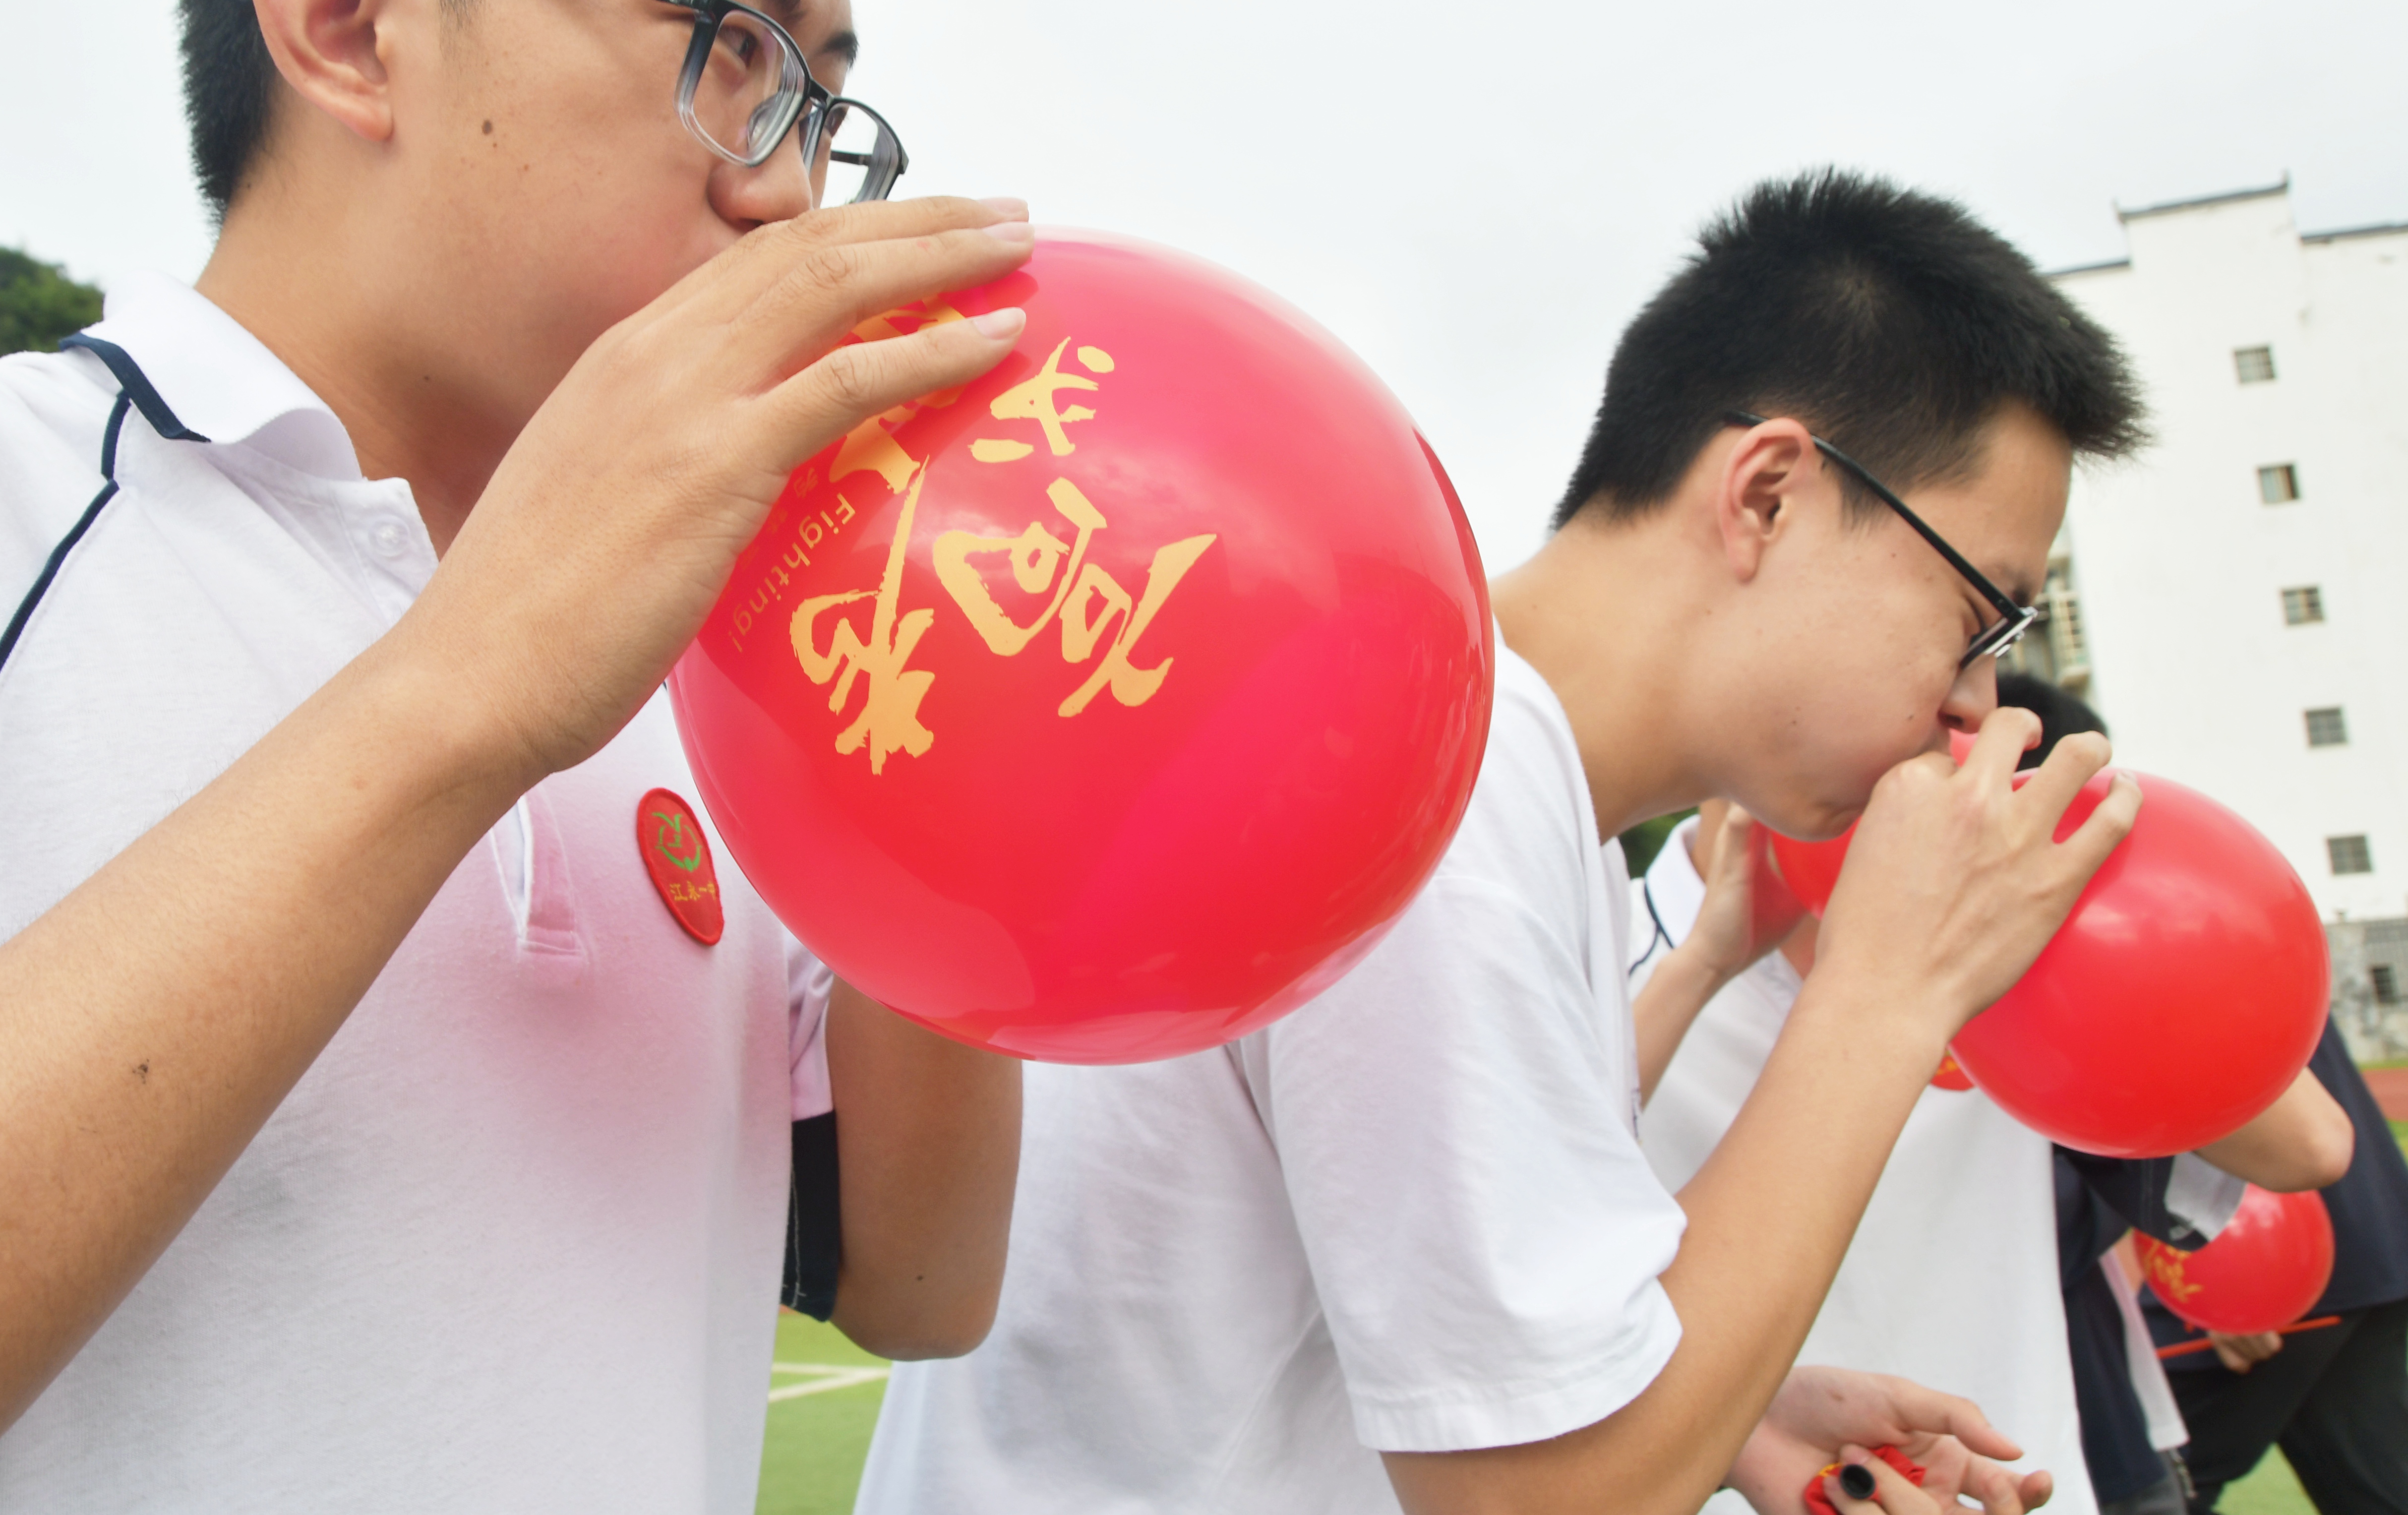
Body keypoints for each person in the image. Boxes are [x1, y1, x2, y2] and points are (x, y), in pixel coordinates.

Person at [0, 0, 1031, 1510]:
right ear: (345, 19)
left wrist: (976, 678)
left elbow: (920, 1282)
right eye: (732, 44)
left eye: (827, 107)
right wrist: (468, 682)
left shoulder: (732, 668)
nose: (789, 195)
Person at [859, 169, 2160, 1515]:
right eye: (1982, 616)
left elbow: (1399, 1337)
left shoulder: (1485, 777)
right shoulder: (1435, 801)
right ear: (1768, 494)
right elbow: (1539, 1500)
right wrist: (1893, 989)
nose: (1975, 703)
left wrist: (1737, 1409)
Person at [1630, 671, 2351, 1515]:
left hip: (2020, 1481)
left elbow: (2310, 1145)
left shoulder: (1991, 931)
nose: (1969, 698)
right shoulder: (1611, 944)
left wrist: (2056, 889)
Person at [2145, 1019, 2408, 1515]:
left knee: (2140, 1477)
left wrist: (2226, 1281)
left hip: (2269, 1251)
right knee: (2374, 1492)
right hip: (2368, 1234)